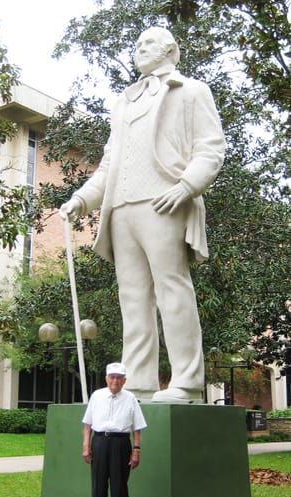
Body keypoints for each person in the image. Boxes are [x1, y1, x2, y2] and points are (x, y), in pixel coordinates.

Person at [60, 27, 225, 403]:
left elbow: (211, 148)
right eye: (135, 44)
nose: (138, 49)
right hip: (120, 208)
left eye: (147, 43)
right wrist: (81, 200)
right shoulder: (123, 102)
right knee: (132, 298)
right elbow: (108, 165)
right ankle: (137, 381)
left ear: (170, 49)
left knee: (172, 289)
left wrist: (185, 186)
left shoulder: (192, 91)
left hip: (164, 201)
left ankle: (186, 380)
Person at [82, 362, 147, 497]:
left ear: (124, 380)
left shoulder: (130, 398)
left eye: (119, 378)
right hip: (100, 442)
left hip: (121, 444)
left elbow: (137, 427)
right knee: (98, 490)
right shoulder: (97, 396)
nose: (115, 381)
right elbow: (88, 424)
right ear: (106, 379)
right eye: (112, 377)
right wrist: (86, 445)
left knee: (119, 490)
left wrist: (136, 450)